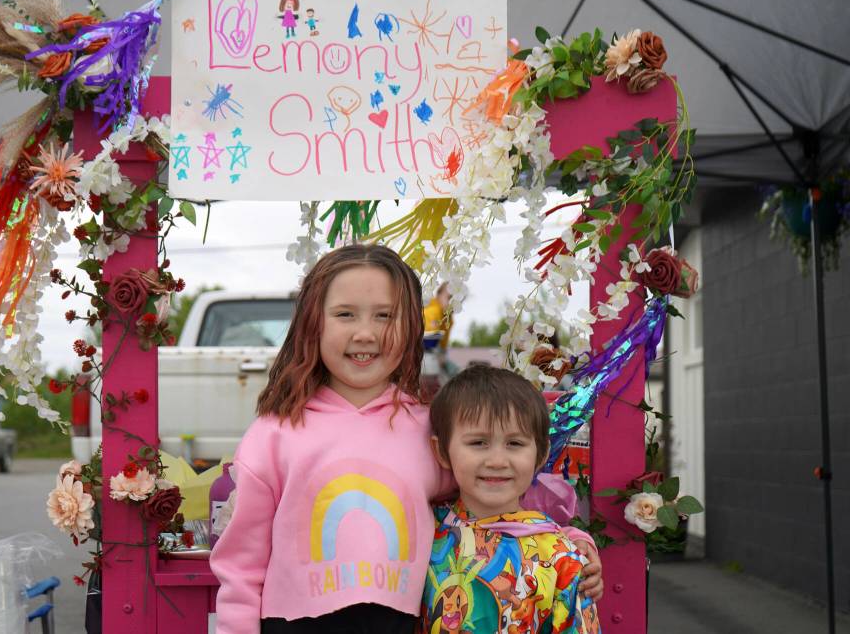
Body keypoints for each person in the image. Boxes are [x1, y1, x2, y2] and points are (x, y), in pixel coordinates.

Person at [210, 245, 601, 633]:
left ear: (413, 327)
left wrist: (565, 540)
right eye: (345, 314)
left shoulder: (429, 429)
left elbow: (499, 493)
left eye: (385, 316)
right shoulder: (274, 433)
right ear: (313, 324)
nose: (365, 333)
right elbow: (241, 567)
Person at [423, 365, 600, 633]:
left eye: (515, 444)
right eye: (478, 442)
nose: (497, 461)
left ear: (541, 455)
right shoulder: (421, 532)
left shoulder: (563, 558)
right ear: (442, 451)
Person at [423, 282, 453, 350]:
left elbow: (443, 345)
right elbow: (429, 341)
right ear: (439, 294)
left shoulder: (448, 318)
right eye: (449, 297)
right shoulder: (433, 311)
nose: (451, 303)